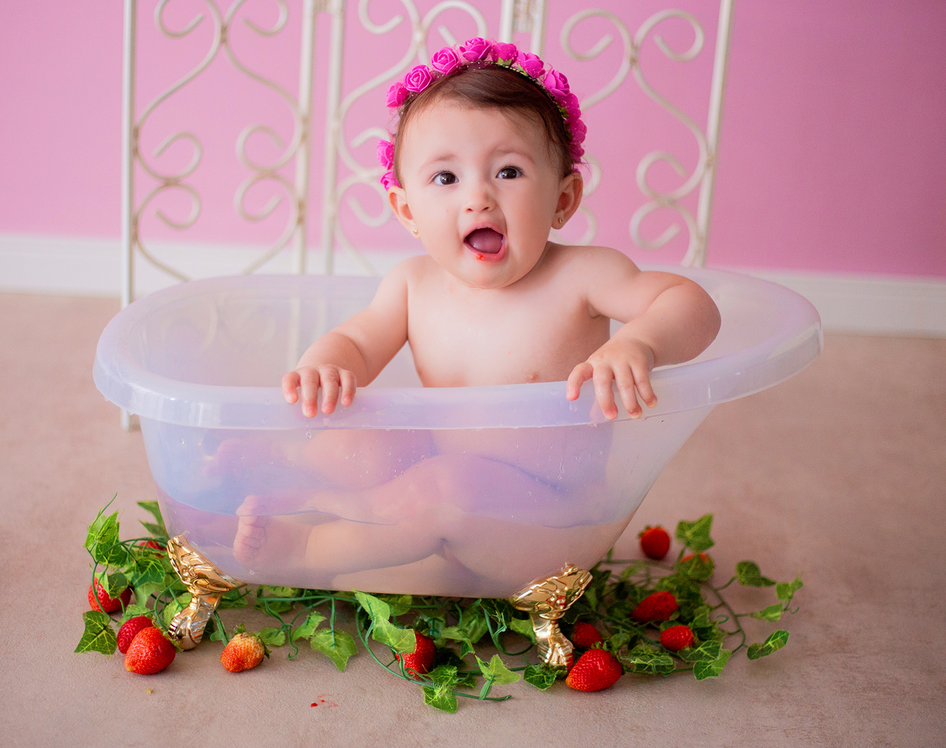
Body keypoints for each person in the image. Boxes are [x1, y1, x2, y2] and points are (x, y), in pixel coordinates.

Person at [231, 38, 721, 593]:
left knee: (446, 487)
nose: (478, 198)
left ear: (563, 200)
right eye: (446, 178)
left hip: (548, 528)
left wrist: (640, 344)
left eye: (508, 171)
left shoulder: (583, 276)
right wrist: (325, 364)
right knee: (356, 438)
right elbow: (358, 344)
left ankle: (313, 549)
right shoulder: (412, 285)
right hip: (446, 486)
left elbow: (692, 304)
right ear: (407, 210)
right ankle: (292, 468)